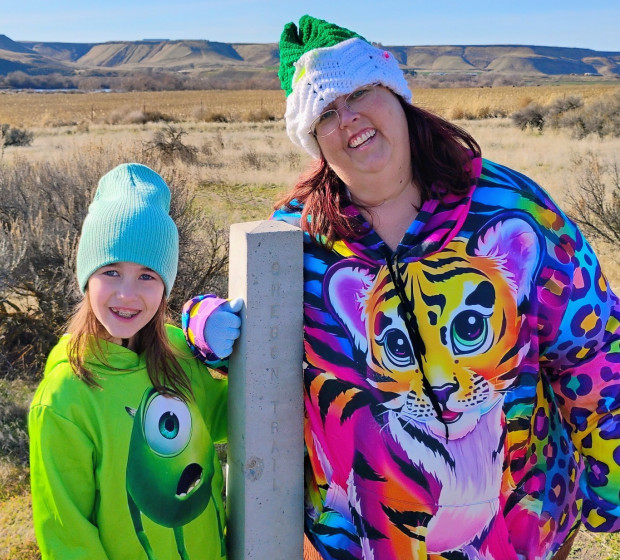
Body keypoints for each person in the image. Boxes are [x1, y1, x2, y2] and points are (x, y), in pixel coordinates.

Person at [182, 15, 620, 560]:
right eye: (325, 113)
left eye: (358, 92)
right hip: (368, 539)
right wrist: (204, 327)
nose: (348, 118)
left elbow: (593, 350)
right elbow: (255, 350)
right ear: (313, 140)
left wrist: (611, 484)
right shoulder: (296, 241)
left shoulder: (511, 208)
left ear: (395, 93)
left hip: (516, 531)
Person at [29, 163, 229, 560]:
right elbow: (68, 537)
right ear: (87, 277)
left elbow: (231, 418)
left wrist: (230, 357)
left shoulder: (179, 354)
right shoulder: (64, 398)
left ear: (165, 286)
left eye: (147, 276)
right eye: (111, 271)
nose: (126, 294)